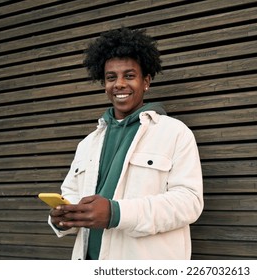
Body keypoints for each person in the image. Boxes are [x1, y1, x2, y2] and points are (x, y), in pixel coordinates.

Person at [48, 27, 204, 260]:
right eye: (111, 77)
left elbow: (189, 203)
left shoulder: (174, 133)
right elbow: (70, 195)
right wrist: (62, 218)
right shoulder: (88, 143)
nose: (119, 84)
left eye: (129, 76)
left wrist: (116, 213)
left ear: (146, 81)